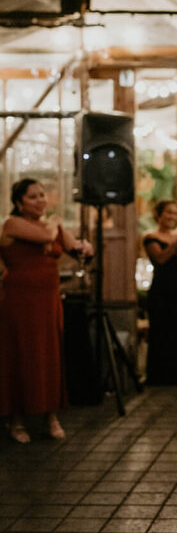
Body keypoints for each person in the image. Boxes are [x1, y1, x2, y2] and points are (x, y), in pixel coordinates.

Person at [0, 178, 92, 442]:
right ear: (19, 203)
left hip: (47, 299)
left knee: (49, 354)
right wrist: (56, 223)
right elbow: (47, 236)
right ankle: (16, 420)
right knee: (20, 354)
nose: (40, 200)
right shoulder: (13, 224)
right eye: (32, 197)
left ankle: (50, 416)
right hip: (20, 300)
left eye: (42, 195)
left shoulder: (51, 225)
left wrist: (86, 247)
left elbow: (77, 249)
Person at [143, 200, 177, 386]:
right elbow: (160, 259)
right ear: (158, 215)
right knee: (161, 333)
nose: (172, 217)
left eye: (175, 213)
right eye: (168, 213)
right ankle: (160, 378)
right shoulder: (151, 237)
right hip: (160, 292)